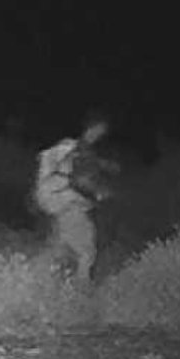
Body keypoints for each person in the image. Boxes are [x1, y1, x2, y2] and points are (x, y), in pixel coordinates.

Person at [35, 116, 115, 284]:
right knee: (87, 252)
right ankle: (82, 292)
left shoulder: (67, 149)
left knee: (61, 249)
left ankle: (45, 284)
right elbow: (77, 178)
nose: (100, 135)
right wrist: (99, 192)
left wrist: (102, 165)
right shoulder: (75, 149)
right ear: (90, 128)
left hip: (55, 203)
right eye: (98, 130)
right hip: (66, 203)